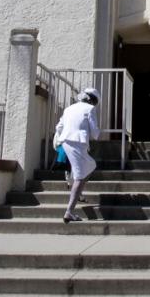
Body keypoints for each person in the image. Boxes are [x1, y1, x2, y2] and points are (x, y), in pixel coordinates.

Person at [54, 87, 101, 223]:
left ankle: (77, 191)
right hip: (78, 143)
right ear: (93, 100)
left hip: (66, 142)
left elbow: (59, 127)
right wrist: (98, 132)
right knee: (80, 176)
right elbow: (95, 133)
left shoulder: (69, 109)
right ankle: (69, 212)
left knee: (91, 166)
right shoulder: (90, 109)